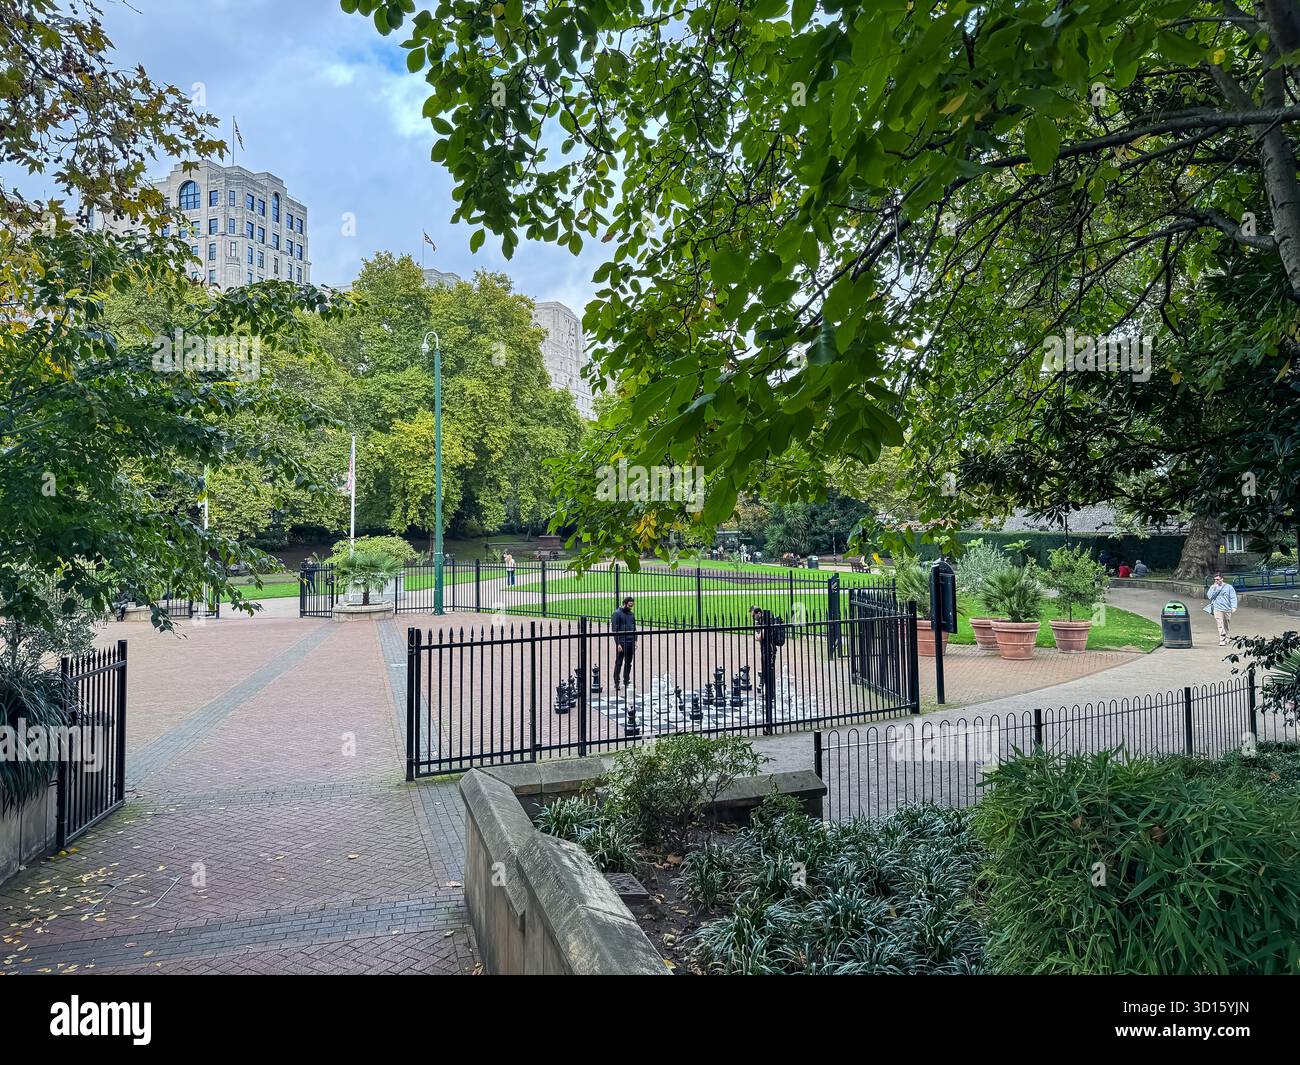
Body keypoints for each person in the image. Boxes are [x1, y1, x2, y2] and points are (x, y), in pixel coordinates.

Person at [611, 596, 637, 692]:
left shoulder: (631, 614)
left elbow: (634, 628)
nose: (631, 607)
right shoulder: (617, 614)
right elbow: (615, 630)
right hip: (621, 642)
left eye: (632, 605)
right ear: (625, 603)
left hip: (630, 641)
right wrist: (617, 643)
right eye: (629, 605)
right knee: (619, 662)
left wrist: (635, 641)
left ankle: (626, 680)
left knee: (628, 663)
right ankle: (616, 682)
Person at [1205, 573, 1238, 646]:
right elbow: (1210, 596)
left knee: (1226, 624)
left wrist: (1234, 607)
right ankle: (1222, 639)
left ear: (1222, 579)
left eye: (1218, 579)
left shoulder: (1229, 587)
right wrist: (1214, 588)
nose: (1216, 581)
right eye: (1215, 579)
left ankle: (1227, 638)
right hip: (1217, 608)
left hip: (1227, 608)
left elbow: (1233, 597)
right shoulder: (1213, 587)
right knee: (1220, 624)